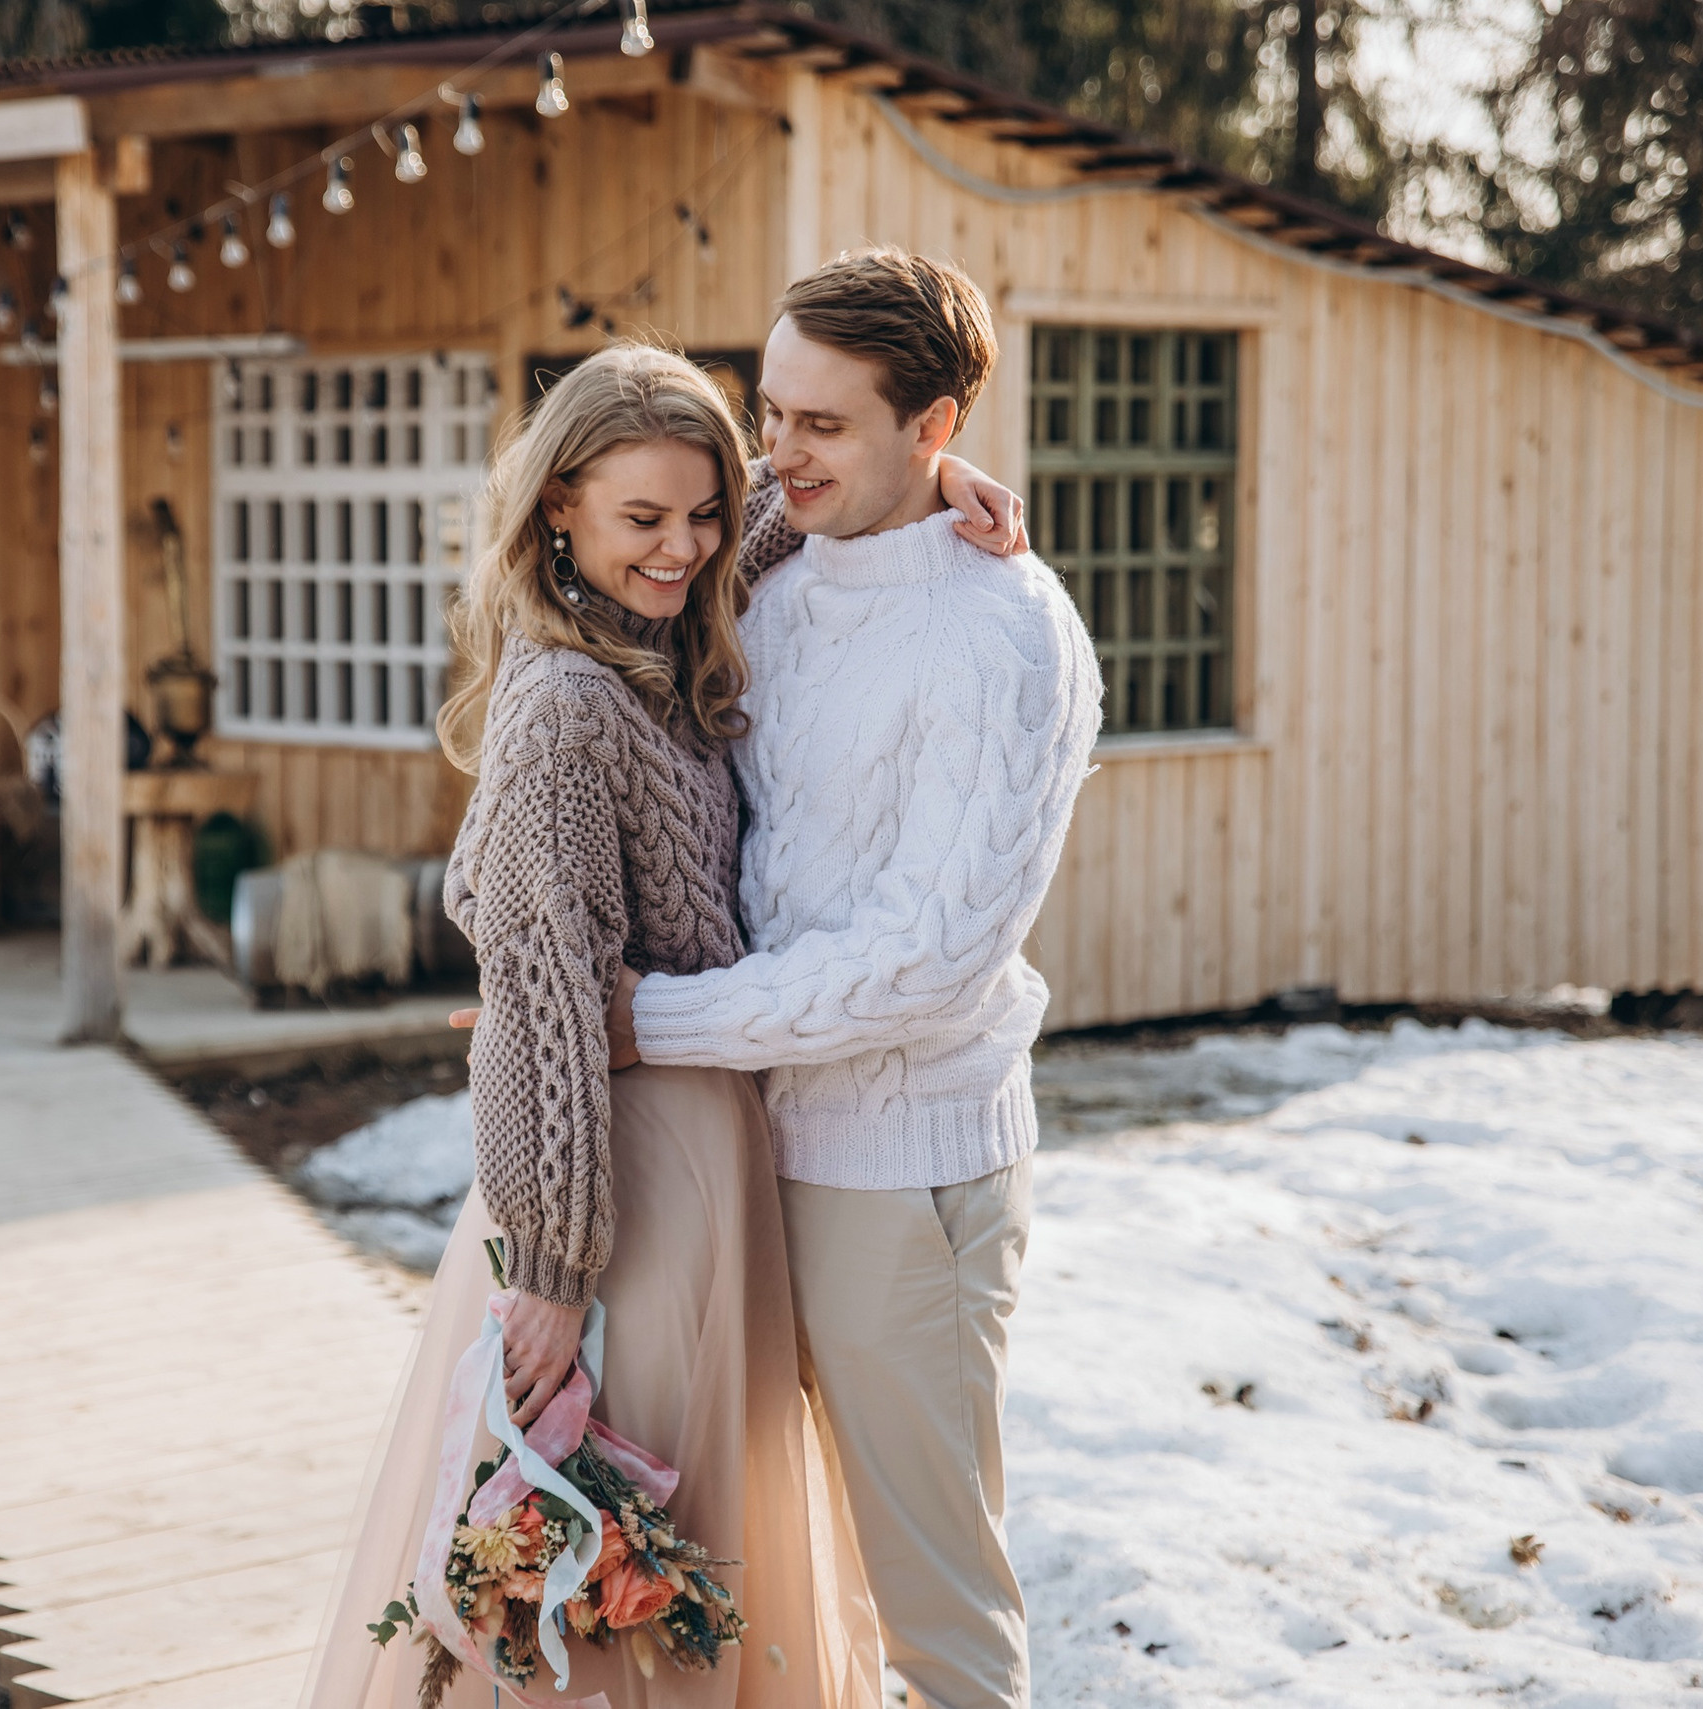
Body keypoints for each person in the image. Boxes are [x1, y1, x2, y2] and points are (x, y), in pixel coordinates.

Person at [301, 341, 1031, 1709]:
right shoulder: (568, 706)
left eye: (699, 514)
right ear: (559, 505)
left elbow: (769, 506)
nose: (685, 547)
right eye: (643, 520)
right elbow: (548, 1022)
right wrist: (559, 1270)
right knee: (607, 1567)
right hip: (616, 1185)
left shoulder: (656, 625)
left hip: (711, 1139)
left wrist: (934, 480)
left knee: (693, 1550)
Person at [605, 251, 1103, 1709]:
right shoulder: (771, 562)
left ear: (932, 423)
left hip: (902, 1181)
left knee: (936, 1623)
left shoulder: (1008, 635)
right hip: (751, 1155)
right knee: (779, 1582)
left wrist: (649, 1018)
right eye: (772, 411)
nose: (780, 454)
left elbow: (924, 964)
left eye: (825, 424)